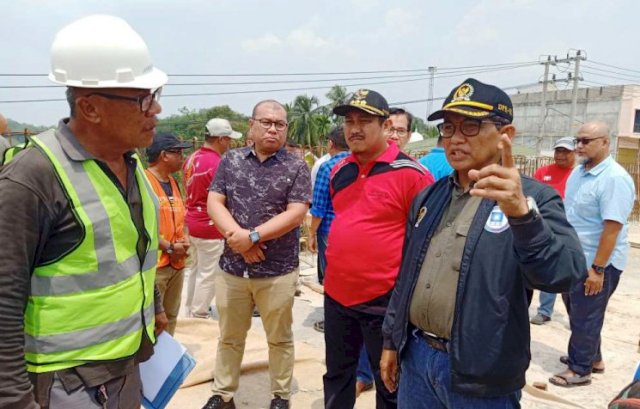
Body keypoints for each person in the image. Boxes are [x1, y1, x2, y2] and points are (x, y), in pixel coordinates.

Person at [380, 78, 585, 408]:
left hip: (480, 375)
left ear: (506, 135)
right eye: (448, 128)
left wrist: (522, 216)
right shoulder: (430, 197)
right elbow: (406, 278)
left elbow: (563, 274)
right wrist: (392, 341)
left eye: (471, 126)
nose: (456, 139)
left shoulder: (535, 199)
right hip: (416, 358)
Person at [0, 15, 168, 409]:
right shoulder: (33, 178)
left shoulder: (131, 164)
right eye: (143, 99)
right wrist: (13, 400)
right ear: (90, 108)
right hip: (64, 386)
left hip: (124, 369)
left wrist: (154, 304)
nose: (156, 108)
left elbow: (128, 249)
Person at [323, 89, 434, 409]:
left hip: (384, 300)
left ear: (386, 126)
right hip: (337, 295)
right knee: (337, 375)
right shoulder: (338, 170)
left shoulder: (412, 175)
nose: (354, 128)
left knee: (389, 381)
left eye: (364, 121)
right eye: (349, 121)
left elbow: (424, 244)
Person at [203, 100, 311, 409]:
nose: (273, 128)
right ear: (252, 125)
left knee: (279, 338)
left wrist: (252, 237)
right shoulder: (231, 160)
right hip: (233, 269)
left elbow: (296, 213)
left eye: (279, 124)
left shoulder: (295, 166)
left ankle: (280, 395)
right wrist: (237, 240)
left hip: (277, 270)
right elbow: (215, 202)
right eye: (266, 122)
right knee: (229, 336)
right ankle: (223, 393)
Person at [550, 121, 635, 388]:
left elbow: (612, 228)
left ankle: (580, 369)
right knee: (577, 311)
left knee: (586, 314)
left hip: (599, 263)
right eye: (578, 140)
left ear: (605, 143)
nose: (579, 146)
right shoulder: (578, 173)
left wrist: (597, 269)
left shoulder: (615, 179)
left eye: (586, 141)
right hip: (575, 258)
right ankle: (593, 358)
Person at [183, 118, 241, 319]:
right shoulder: (217, 163)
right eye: (229, 140)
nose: (230, 144)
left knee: (195, 269)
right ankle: (199, 312)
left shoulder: (192, 158)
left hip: (192, 222)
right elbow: (225, 198)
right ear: (222, 139)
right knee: (208, 274)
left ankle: (190, 308)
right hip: (209, 225)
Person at [145, 133, 192, 335]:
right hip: (158, 264)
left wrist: (185, 239)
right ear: (164, 155)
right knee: (154, 318)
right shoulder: (144, 182)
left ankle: (167, 359)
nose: (183, 157)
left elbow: (180, 215)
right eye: (179, 152)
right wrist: (170, 247)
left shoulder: (173, 182)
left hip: (177, 262)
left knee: (171, 316)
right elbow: (142, 226)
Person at [530, 136, 576, 325]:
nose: (561, 155)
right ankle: (545, 310)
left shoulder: (577, 175)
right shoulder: (543, 172)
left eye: (566, 151)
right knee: (547, 268)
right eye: (558, 151)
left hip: (569, 230)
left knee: (570, 272)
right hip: (543, 228)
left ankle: (575, 316)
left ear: (574, 154)